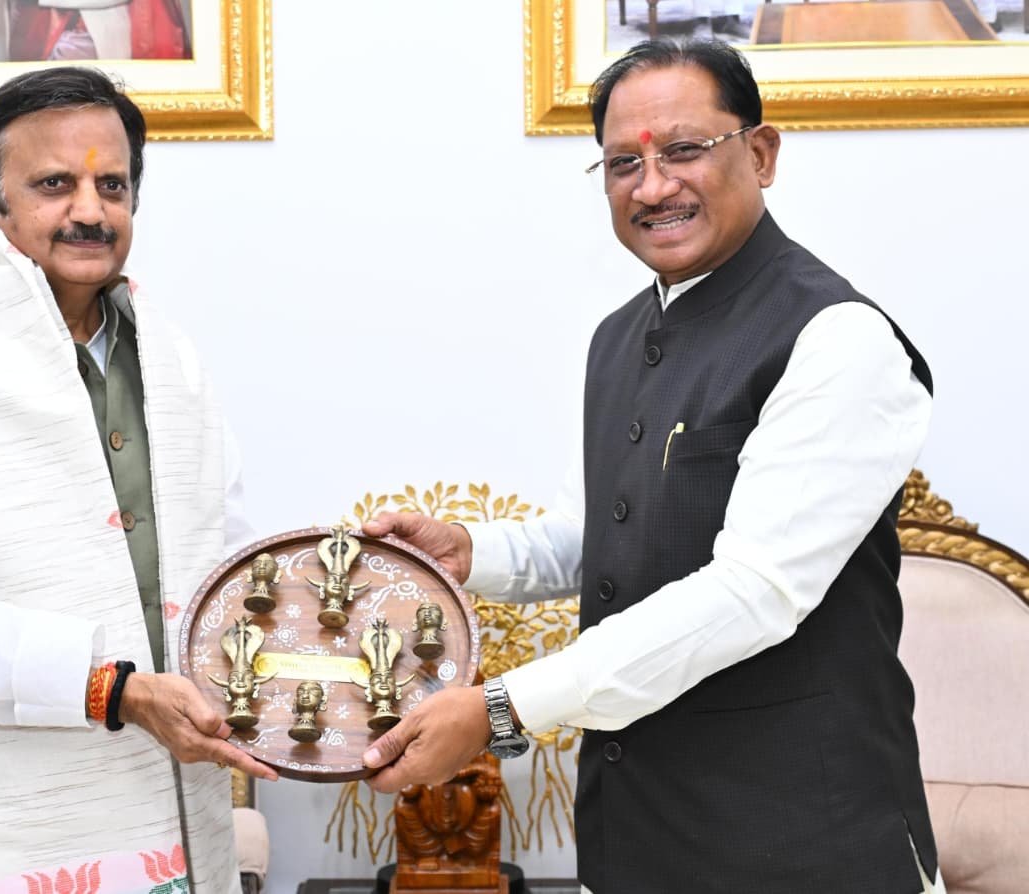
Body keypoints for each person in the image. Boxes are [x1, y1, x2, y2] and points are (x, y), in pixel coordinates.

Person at [361, 39, 943, 894]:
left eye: (684, 150)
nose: (653, 186)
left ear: (762, 153)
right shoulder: (618, 336)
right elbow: (600, 537)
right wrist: (466, 552)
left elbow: (754, 591)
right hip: (637, 833)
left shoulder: (838, 338)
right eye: (623, 163)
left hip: (805, 839)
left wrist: (501, 709)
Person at [0, 66, 275, 894]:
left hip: (169, 815)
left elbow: (232, 579)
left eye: (113, 185)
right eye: (55, 184)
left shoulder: (173, 365)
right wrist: (109, 689)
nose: (91, 211)